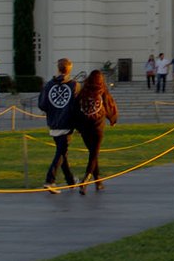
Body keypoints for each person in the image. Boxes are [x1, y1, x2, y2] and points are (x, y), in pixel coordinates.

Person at [37, 58, 79, 193]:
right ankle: (50, 180)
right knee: (60, 154)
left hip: (53, 124)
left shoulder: (49, 85)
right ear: (69, 69)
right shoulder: (74, 85)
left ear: (58, 68)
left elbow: (42, 104)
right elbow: (77, 107)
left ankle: (71, 181)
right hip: (66, 124)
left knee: (62, 153)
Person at [72, 69, 119, 193]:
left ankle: (98, 181)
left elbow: (75, 110)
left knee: (93, 153)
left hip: (84, 127)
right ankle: (85, 180)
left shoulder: (83, 92)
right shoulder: (102, 91)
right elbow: (109, 105)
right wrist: (112, 119)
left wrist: (77, 126)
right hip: (97, 126)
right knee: (94, 154)